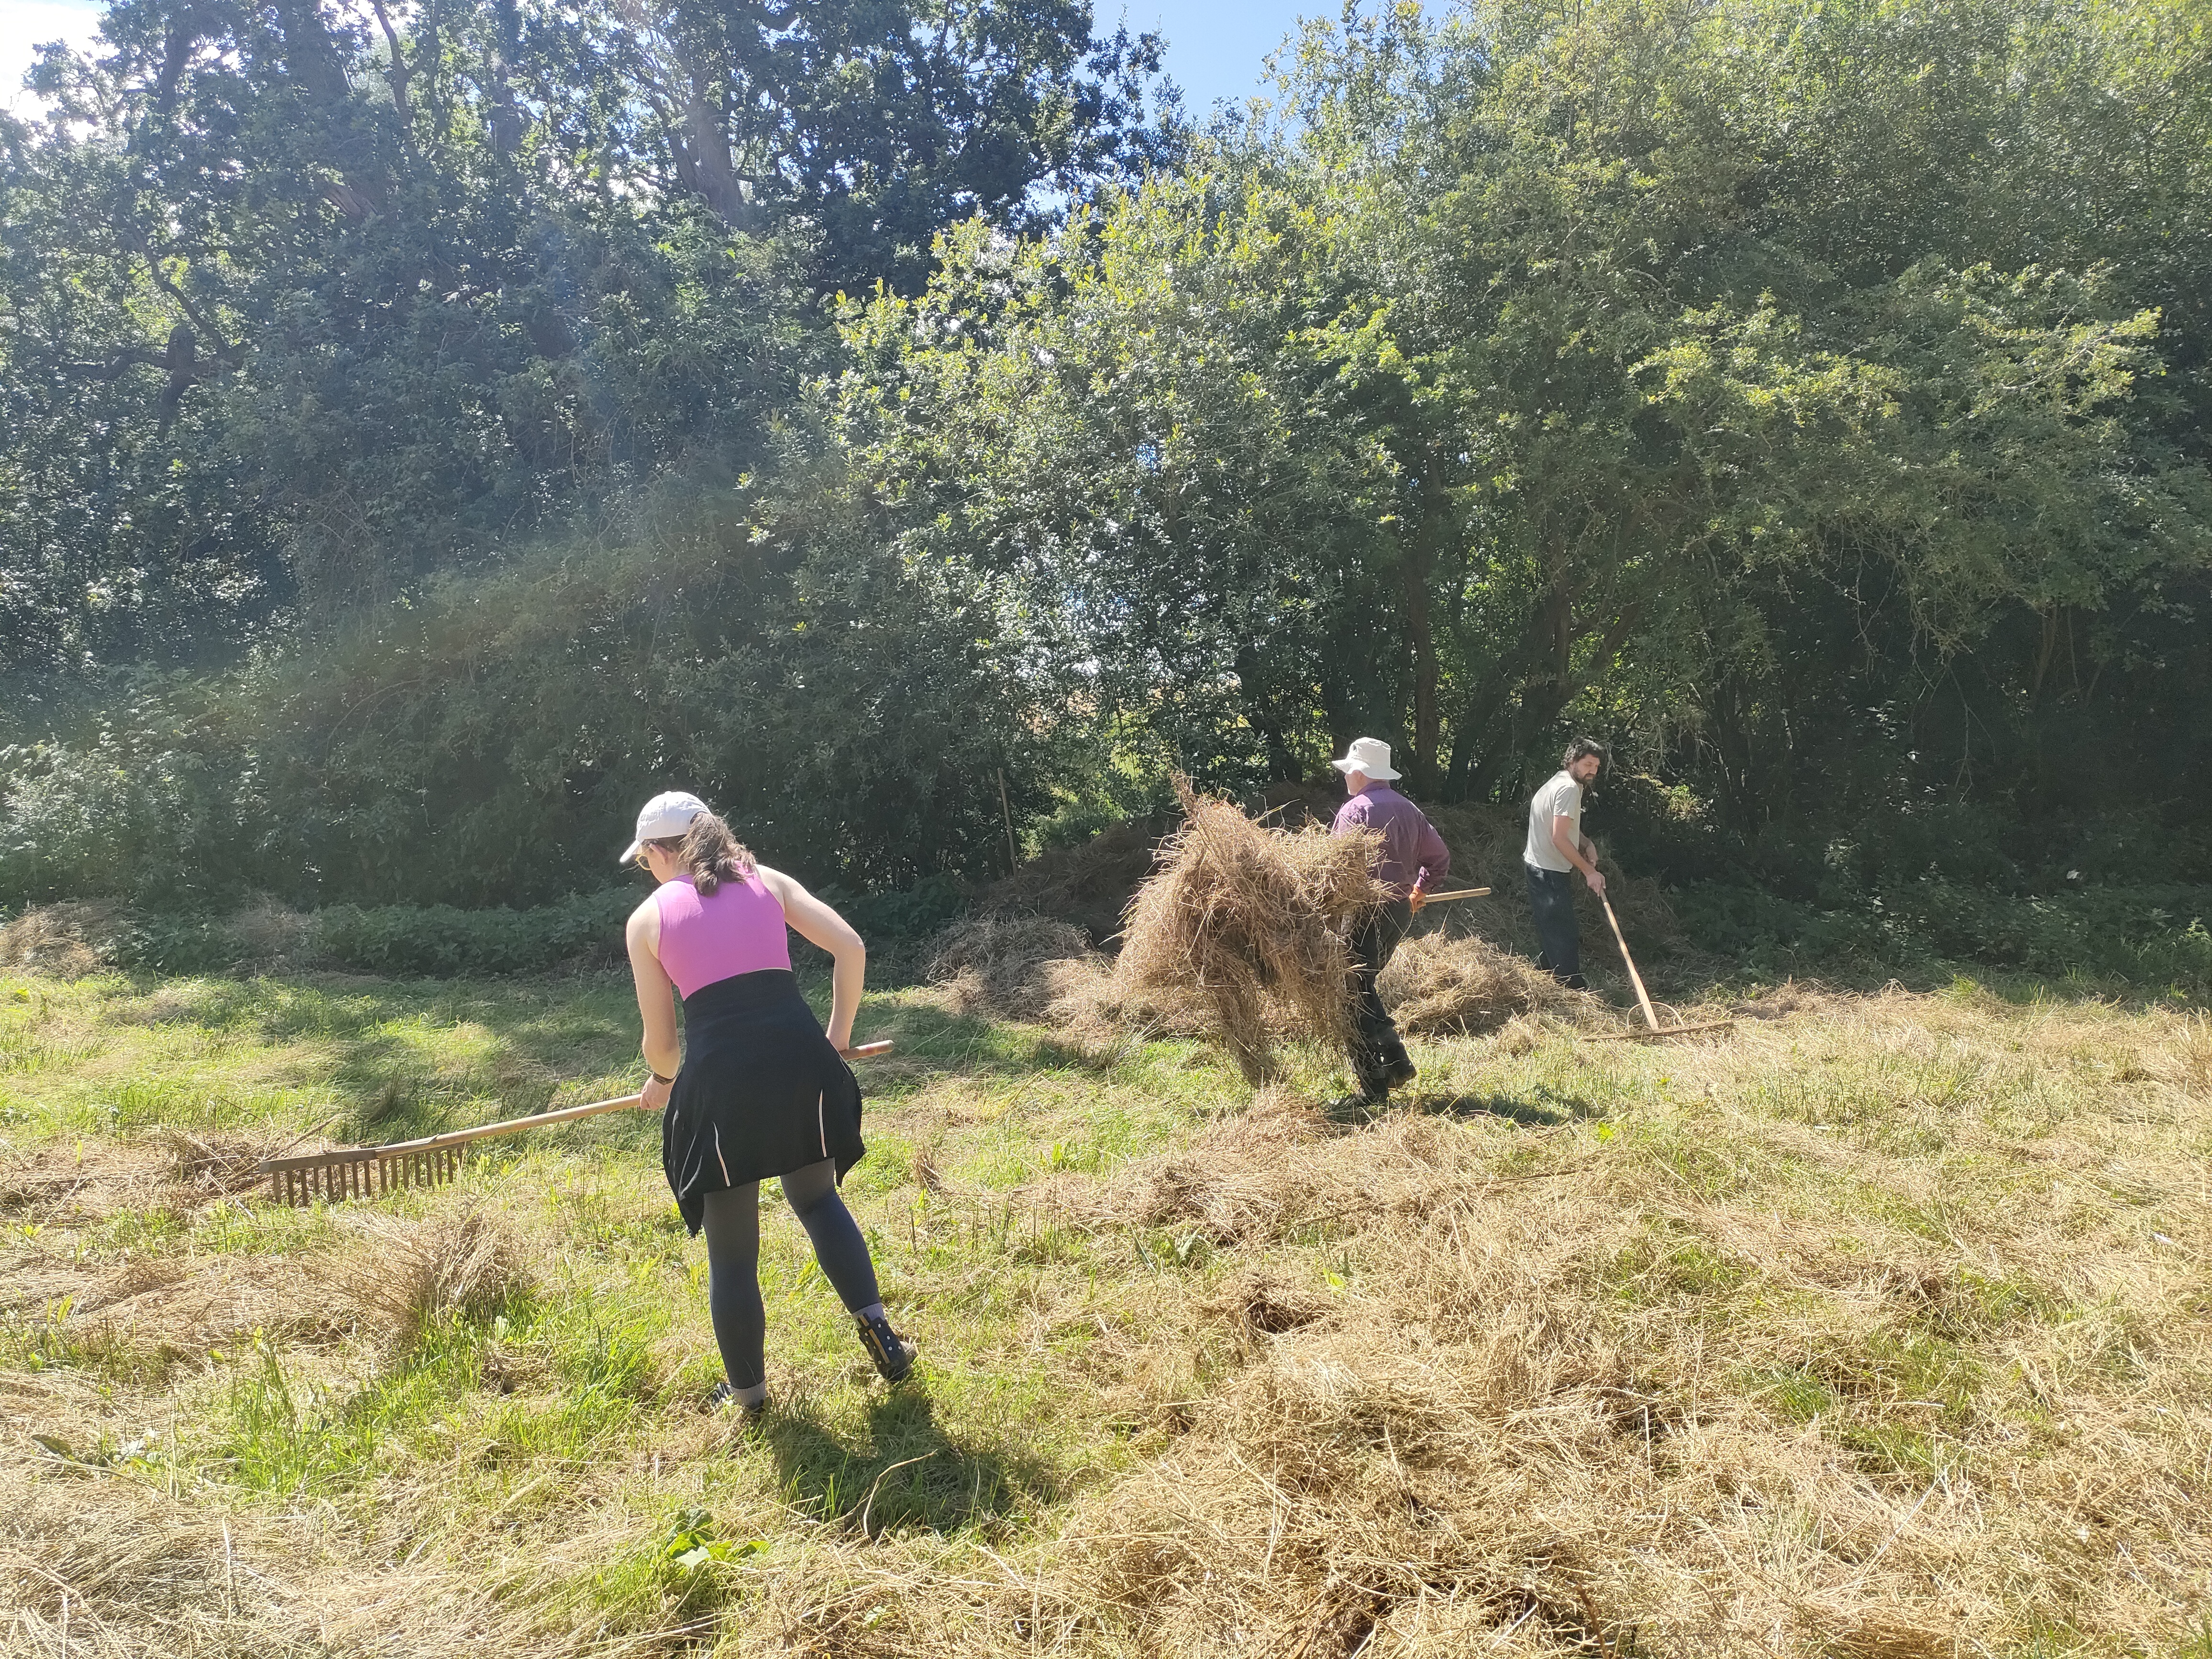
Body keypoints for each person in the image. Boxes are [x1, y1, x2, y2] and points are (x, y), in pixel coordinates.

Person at [620, 789, 915, 1418]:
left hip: (724, 1086)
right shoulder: (768, 881)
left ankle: (749, 1397)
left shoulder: (647, 920)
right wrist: (834, 1039)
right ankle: (880, 1332)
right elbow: (851, 948)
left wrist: (662, 1081)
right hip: (801, 1064)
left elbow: (665, 1046)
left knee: (731, 1251)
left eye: (645, 860)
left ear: (655, 853)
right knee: (816, 1198)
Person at [1329, 738, 1451, 1104]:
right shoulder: (1409, 809)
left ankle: (1373, 1087)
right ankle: (1396, 1063)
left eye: (1350, 770)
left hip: (1365, 911)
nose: (1347, 777)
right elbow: (1439, 857)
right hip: (1398, 912)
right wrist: (1420, 889)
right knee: (1362, 985)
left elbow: (1337, 873)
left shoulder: (1355, 811)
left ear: (1361, 772)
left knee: (1350, 992)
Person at [1524, 739, 1607, 990]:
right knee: (1563, 933)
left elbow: (1564, 827)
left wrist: (1586, 842)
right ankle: (1573, 991)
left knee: (1552, 929)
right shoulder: (1570, 788)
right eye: (1588, 764)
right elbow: (1558, 837)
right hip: (1548, 870)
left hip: (1538, 865)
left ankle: (1547, 980)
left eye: (1596, 766)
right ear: (1572, 761)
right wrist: (1589, 870)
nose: (1592, 770)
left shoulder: (1563, 781)